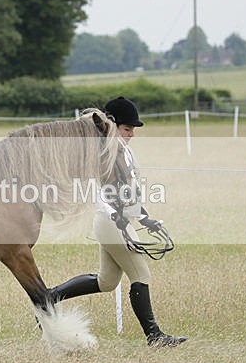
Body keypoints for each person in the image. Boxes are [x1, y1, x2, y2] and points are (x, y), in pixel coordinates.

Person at [48, 96, 187, 347]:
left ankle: (51, 296)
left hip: (119, 221)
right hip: (110, 221)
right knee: (140, 273)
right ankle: (154, 337)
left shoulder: (124, 150)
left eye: (133, 129)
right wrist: (113, 214)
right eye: (127, 128)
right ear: (112, 125)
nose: (132, 133)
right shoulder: (101, 152)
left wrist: (144, 219)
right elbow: (92, 190)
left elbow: (129, 191)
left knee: (107, 281)